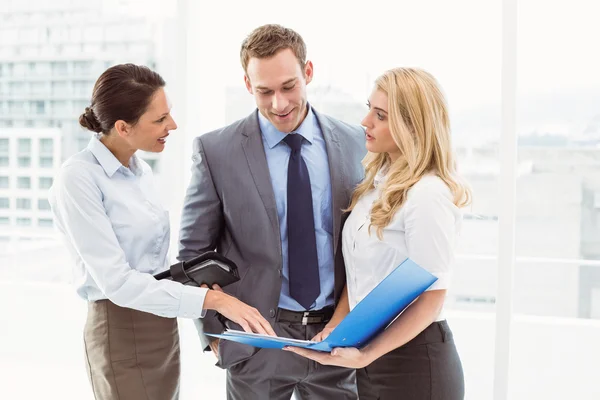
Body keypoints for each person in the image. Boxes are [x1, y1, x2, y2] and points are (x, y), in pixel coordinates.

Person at [49, 63, 275, 400]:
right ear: (123, 127)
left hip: (162, 323)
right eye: (159, 120)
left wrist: (197, 280)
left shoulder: (139, 172)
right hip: (121, 325)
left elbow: (151, 263)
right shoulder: (79, 178)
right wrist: (214, 300)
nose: (172, 125)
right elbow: (119, 283)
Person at [178, 24, 366, 399]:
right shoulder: (217, 151)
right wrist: (215, 334)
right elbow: (193, 256)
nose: (279, 104)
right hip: (258, 344)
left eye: (288, 87)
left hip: (339, 338)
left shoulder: (355, 142)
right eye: (264, 91)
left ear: (308, 73)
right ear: (248, 85)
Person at [284, 67, 471, 400]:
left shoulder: (428, 194)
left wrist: (369, 353)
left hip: (414, 362)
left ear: (412, 126)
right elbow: (358, 279)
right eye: (370, 107)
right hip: (372, 361)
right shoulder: (375, 187)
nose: (365, 120)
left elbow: (431, 298)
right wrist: (334, 331)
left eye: (380, 115)